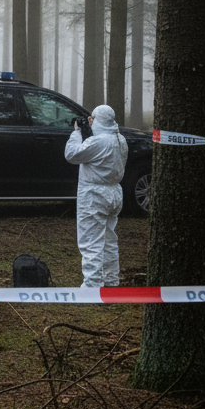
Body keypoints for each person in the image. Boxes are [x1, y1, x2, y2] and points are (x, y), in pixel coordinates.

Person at [65, 104, 129, 289]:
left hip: (94, 195)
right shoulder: (120, 139)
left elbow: (71, 154)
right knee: (109, 240)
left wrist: (77, 133)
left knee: (90, 241)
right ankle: (111, 281)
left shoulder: (99, 141)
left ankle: (92, 285)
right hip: (114, 192)